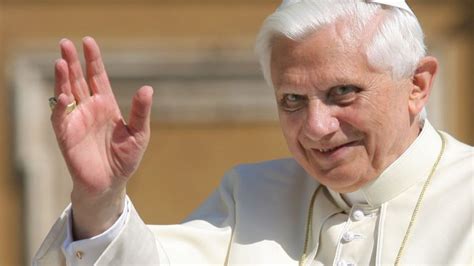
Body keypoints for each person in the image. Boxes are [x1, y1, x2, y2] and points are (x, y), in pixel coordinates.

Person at [34, 0, 473, 265]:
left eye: (343, 92)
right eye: (292, 101)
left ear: (417, 86)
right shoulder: (251, 197)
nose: (317, 128)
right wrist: (100, 199)